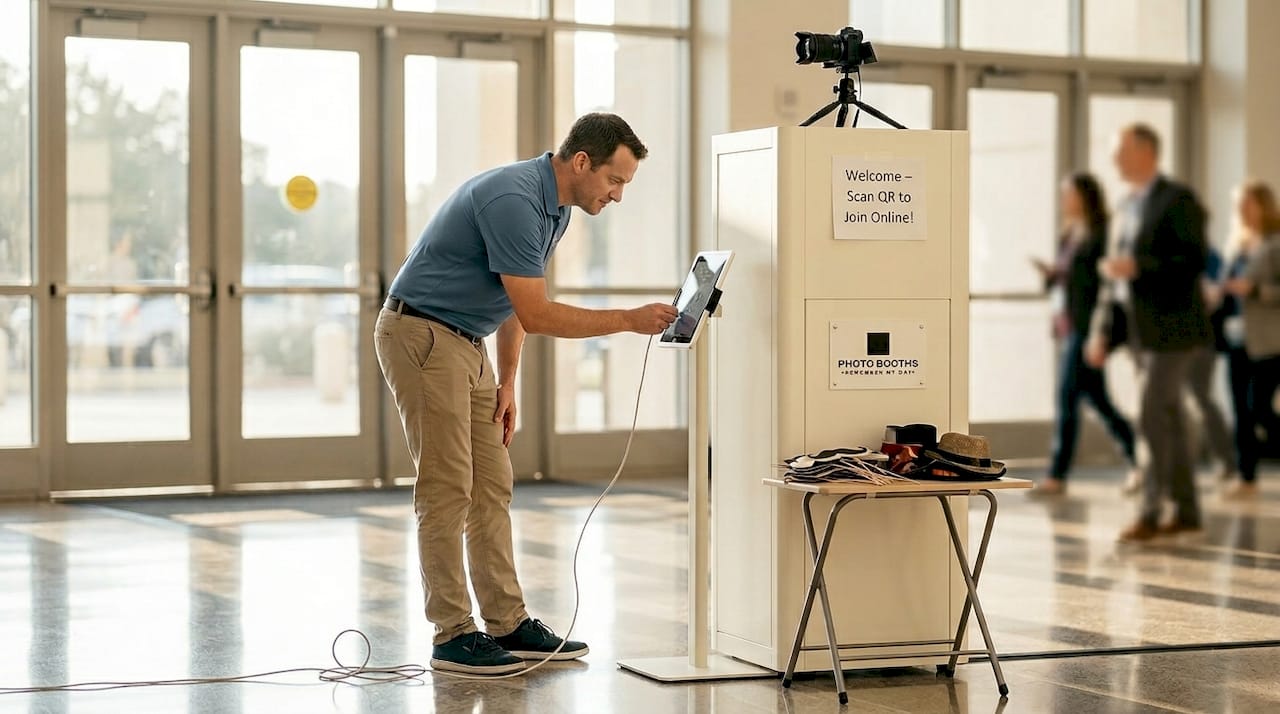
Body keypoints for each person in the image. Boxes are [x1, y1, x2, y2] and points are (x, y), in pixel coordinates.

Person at [375, 113, 678, 675]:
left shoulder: (556, 208)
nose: (617, 196)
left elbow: (517, 300)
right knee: (447, 486)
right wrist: (631, 319)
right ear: (581, 162)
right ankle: (452, 635)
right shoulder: (513, 199)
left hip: (467, 342)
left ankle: (506, 622)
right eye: (615, 181)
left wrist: (507, 380)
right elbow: (538, 314)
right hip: (422, 333)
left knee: (492, 482)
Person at [1086, 123, 1212, 543]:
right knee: (1169, 420)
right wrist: (1104, 333)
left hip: (1175, 331)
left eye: (1121, 150)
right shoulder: (1125, 206)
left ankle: (1151, 511)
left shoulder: (1177, 200)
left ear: (1146, 152)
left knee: (1150, 417)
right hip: (1141, 332)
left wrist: (1140, 267)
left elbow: (1192, 260)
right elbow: (1117, 286)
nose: (1115, 159)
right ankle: (1188, 511)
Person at [1033, 173, 1136, 496]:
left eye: (1069, 194)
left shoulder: (1101, 233)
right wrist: (1051, 276)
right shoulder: (1070, 233)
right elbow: (1066, 281)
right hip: (1070, 326)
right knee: (1100, 402)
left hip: (1088, 328)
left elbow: (1105, 288)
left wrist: (1100, 334)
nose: (1064, 200)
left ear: (1085, 196)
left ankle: (1057, 475)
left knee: (1066, 397)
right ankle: (1141, 458)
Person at [1220, 180, 1280, 498]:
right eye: (1238, 205)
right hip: (1236, 338)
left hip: (1269, 342)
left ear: (1263, 205)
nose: (1241, 210)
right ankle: (1246, 479)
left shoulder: (1276, 244)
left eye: (1248, 203)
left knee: (1259, 408)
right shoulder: (1238, 246)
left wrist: (1255, 290)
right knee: (1240, 410)